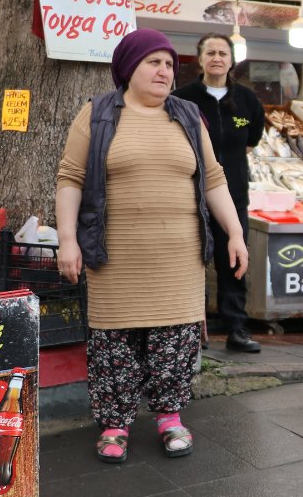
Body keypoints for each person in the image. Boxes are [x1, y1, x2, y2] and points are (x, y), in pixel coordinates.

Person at [55, 28, 249, 464]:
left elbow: (214, 179)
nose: (164, 71)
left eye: (168, 64)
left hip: (178, 259)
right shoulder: (99, 114)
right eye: (153, 62)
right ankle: (115, 425)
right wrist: (68, 240)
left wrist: (235, 233)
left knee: (175, 342)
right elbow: (71, 177)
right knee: (114, 346)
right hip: (114, 259)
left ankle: (169, 418)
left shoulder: (186, 114)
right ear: (129, 68)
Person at [171, 33, 265, 353]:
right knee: (193, 260)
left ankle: (237, 328)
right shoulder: (182, 99)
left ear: (231, 59)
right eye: (210, 52)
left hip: (234, 195)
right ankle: (195, 329)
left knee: (233, 260)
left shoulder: (248, 101)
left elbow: (251, 140)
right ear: (199, 58)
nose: (216, 58)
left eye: (222, 52)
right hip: (190, 194)